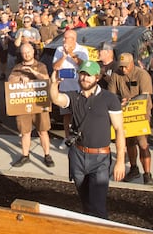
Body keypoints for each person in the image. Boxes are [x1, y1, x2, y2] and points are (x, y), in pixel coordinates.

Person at [49, 61, 126, 220]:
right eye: (82, 74)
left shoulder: (109, 99)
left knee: (98, 206)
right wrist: (53, 84)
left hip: (100, 159)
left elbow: (119, 130)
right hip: (78, 155)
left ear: (97, 78)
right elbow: (56, 99)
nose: (84, 78)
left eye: (89, 75)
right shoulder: (74, 96)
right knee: (85, 202)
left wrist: (120, 161)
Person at [108, 53, 153, 185]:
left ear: (132, 63)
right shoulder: (116, 75)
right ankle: (134, 168)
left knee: (143, 144)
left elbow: (145, 95)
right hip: (124, 113)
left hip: (141, 113)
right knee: (129, 143)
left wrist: (130, 100)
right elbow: (111, 94)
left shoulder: (142, 74)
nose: (123, 69)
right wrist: (119, 101)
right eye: (121, 67)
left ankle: (147, 174)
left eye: (126, 67)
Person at [7, 44, 54, 168]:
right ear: (21, 54)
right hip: (23, 104)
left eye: (28, 52)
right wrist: (20, 77)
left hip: (39, 103)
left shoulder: (41, 65)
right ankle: (25, 155)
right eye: (24, 53)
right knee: (25, 132)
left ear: (33, 52)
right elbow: (10, 80)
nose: (27, 54)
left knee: (43, 131)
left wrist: (33, 72)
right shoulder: (17, 67)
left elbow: (46, 79)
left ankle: (47, 155)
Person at [52, 29, 88, 148]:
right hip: (64, 87)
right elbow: (55, 67)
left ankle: (79, 138)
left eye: (66, 38)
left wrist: (72, 54)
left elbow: (84, 66)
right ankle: (67, 137)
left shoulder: (83, 50)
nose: (63, 40)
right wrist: (63, 56)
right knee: (66, 115)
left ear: (73, 39)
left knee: (79, 115)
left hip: (78, 88)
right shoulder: (58, 50)